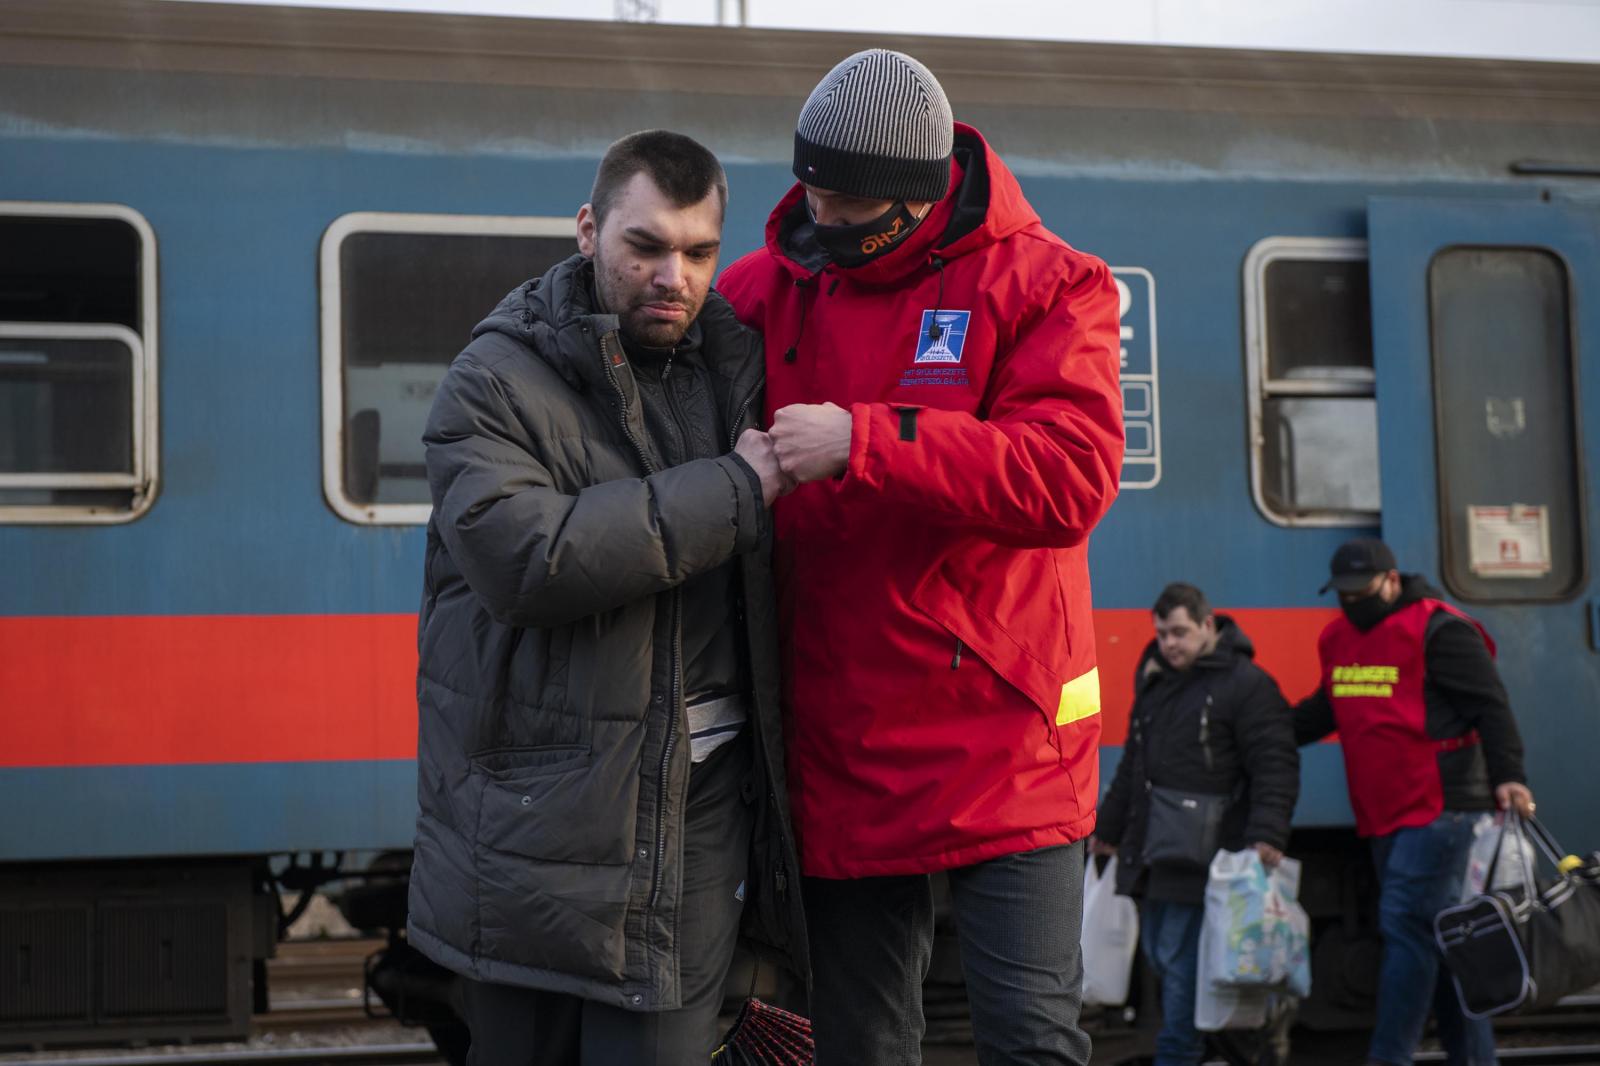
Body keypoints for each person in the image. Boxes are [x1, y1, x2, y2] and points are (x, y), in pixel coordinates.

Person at [717, 49, 1124, 1066]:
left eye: (849, 206)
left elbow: (1071, 477)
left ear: (919, 198)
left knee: (1029, 1038)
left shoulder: (1049, 286)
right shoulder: (762, 289)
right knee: (859, 1043)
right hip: (844, 738)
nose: (824, 221)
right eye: (812, 191)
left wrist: (866, 443)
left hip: (1008, 737)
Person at [406, 129, 807, 1066]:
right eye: (647, 246)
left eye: (701, 252)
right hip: (531, 824)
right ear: (588, 231)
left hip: (692, 813)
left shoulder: (735, 371)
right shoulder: (492, 382)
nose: (675, 274)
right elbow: (526, 560)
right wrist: (736, 490)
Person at [1296, 537, 1535, 1066]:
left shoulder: (1439, 630)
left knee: (1405, 927)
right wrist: (1263, 733)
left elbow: (1491, 706)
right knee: (1446, 942)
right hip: (1384, 812)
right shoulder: (1338, 640)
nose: (1352, 601)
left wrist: (1509, 776)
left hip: (1444, 808)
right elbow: (1327, 708)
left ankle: (1389, 1058)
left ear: (1392, 580)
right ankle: (1475, 1059)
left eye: (1362, 590)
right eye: (1343, 593)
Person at [1092, 583, 1300, 1066]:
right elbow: (1134, 765)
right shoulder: (1157, 683)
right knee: (1164, 960)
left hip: (1212, 859)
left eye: (1180, 632)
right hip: (1159, 852)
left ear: (1209, 625)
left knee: (1182, 969)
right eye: (1163, 634)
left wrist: (1267, 833)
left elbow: (1275, 764)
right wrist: (1109, 828)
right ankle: (1235, 1053)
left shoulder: (1246, 685)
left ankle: (1180, 1055)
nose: (1170, 644)